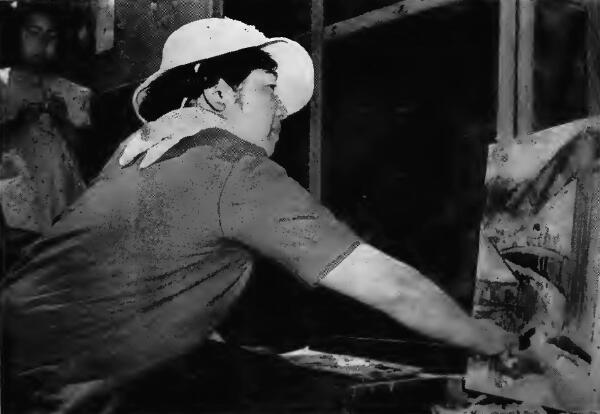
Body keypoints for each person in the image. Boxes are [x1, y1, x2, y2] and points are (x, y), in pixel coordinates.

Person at [1, 18, 516, 413]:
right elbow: (392, 287)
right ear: (219, 92)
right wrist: (497, 343)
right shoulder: (231, 168)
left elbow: (145, 277)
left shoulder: (140, 149)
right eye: (268, 89)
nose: (281, 113)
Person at [0, 3, 91, 274]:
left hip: (66, 215)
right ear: (17, 35)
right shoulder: (1, 84)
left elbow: (86, 157)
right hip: (16, 217)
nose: (41, 43)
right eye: (33, 32)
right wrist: (14, 122)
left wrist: (63, 120)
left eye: (51, 36)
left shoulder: (74, 92)